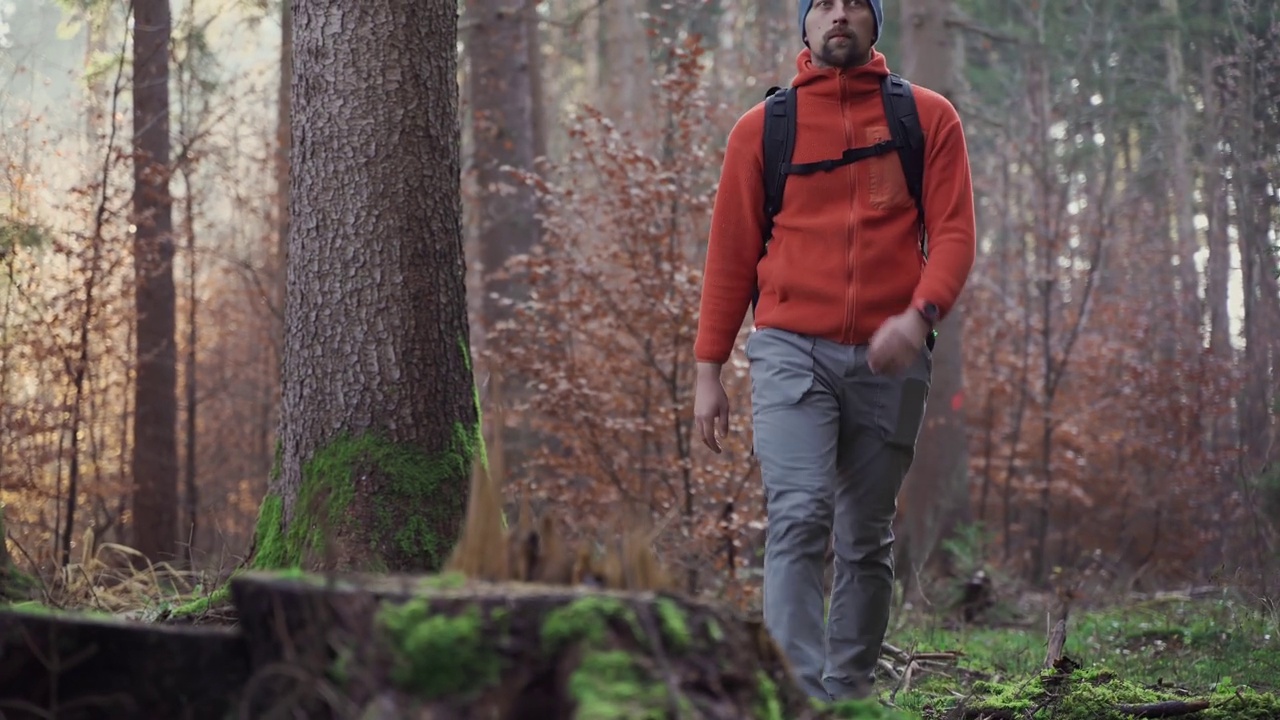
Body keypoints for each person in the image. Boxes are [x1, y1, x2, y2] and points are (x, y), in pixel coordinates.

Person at [691, 0, 977, 702]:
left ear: (876, 21)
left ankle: (846, 695)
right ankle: (796, 696)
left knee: (865, 536)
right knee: (799, 511)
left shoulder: (926, 119)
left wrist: (919, 316)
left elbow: (955, 235)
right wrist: (708, 369)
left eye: (855, 3)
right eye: (824, 4)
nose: (840, 15)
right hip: (790, 349)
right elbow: (730, 256)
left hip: (892, 356)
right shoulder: (764, 130)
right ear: (805, 24)